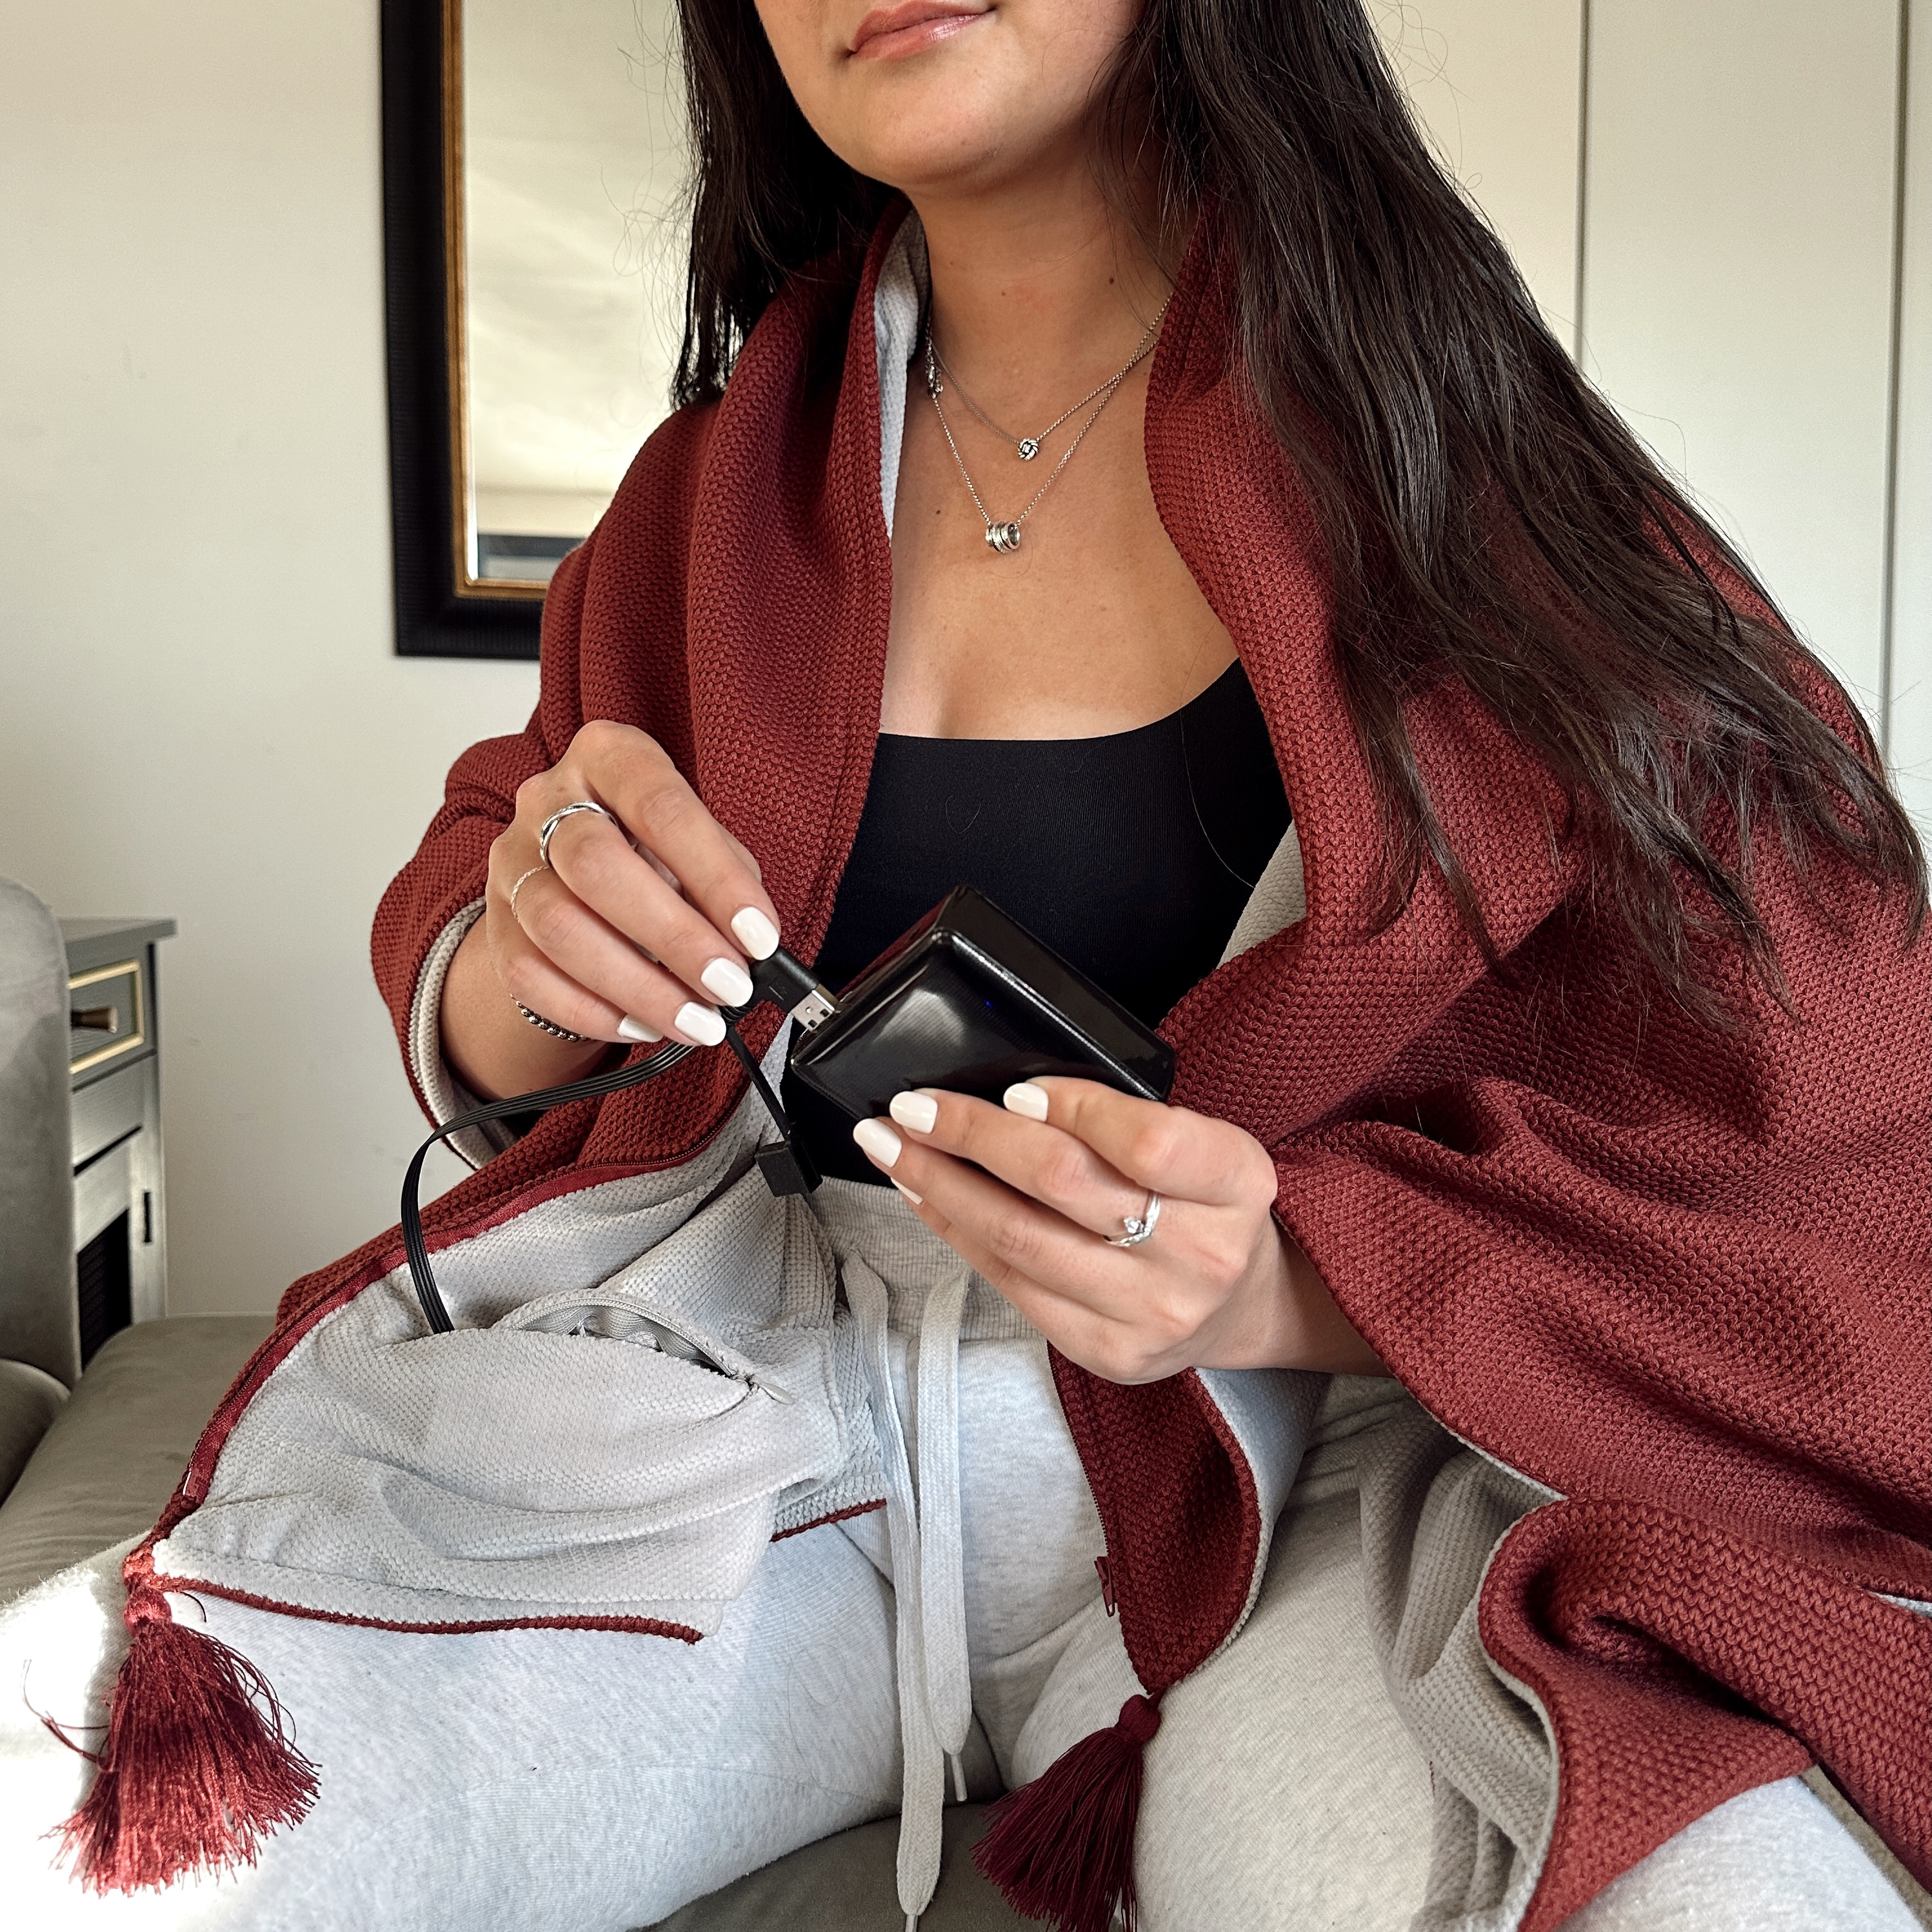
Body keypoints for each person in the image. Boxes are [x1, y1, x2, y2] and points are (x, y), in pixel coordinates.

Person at [4, 3, 1924, 1929]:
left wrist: (1286, 1280)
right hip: (751, 1438)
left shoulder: (1485, 481)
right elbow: (486, 926)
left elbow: (1824, 1084)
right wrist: (534, 947)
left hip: (1306, 1493)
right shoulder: (702, 498)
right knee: (62, 1811)